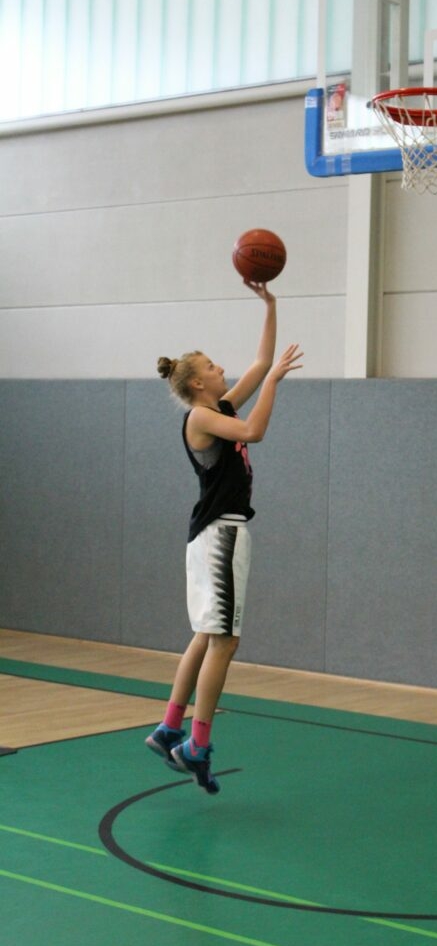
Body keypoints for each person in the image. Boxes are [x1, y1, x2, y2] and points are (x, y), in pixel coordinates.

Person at [145, 281, 302, 793]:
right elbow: (255, 431)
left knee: (205, 636)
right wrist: (274, 383)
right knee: (225, 641)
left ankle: (170, 726)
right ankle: (197, 744)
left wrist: (270, 306)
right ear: (196, 383)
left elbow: (260, 361)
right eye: (212, 366)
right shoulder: (202, 417)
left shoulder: (219, 409)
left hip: (209, 535)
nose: (221, 369)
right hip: (221, 536)